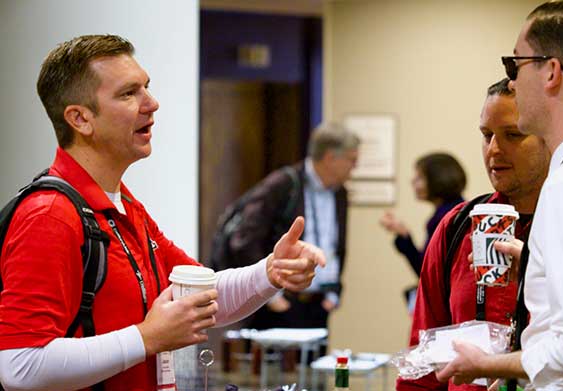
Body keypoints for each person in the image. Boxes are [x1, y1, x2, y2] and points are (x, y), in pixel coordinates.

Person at [0, 34, 326, 391]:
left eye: (147, 88)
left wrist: (271, 272)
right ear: (80, 119)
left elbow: (203, 295)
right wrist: (147, 338)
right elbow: (19, 365)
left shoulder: (122, 204)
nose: (151, 103)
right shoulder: (49, 216)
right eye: (129, 93)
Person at [436, 1, 563, 390]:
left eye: (516, 65)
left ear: (551, 72)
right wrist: (539, 266)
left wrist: (492, 362)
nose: (511, 82)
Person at [396, 78, 549, 391]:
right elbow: (423, 360)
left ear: (550, 140)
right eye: (486, 135)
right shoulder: (457, 226)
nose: (494, 149)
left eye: (512, 135)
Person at [221, 122, 360, 331]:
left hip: (320, 303)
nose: (354, 166)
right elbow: (244, 238)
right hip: (282, 303)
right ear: (331, 157)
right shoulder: (284, 184)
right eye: (351, 159)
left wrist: (334, 294)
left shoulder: (340, 193)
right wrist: (271, 296)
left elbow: (337, 244)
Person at [380, 153, 465, 314]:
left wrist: (405, 238)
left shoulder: (446, 219)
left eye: (419, 177)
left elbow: (427, 273)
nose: (412, 181)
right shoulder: (456, 211)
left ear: (438, 180)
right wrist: (404, 234)